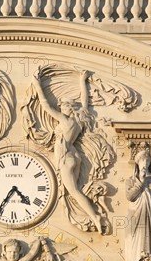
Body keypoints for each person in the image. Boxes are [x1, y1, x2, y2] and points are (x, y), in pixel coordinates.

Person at [32, 70, 104, 234]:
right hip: (74, 155)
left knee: (74, 191)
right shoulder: (79, 120)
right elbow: (85, 103)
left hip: (65, 157)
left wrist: (37, 85)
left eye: (63, 105)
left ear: (69, 108)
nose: (60, 107)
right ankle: (94, 216)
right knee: (75, 189)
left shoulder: (65, 120)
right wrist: (82, 81)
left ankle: (95, 217)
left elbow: (45, 105)